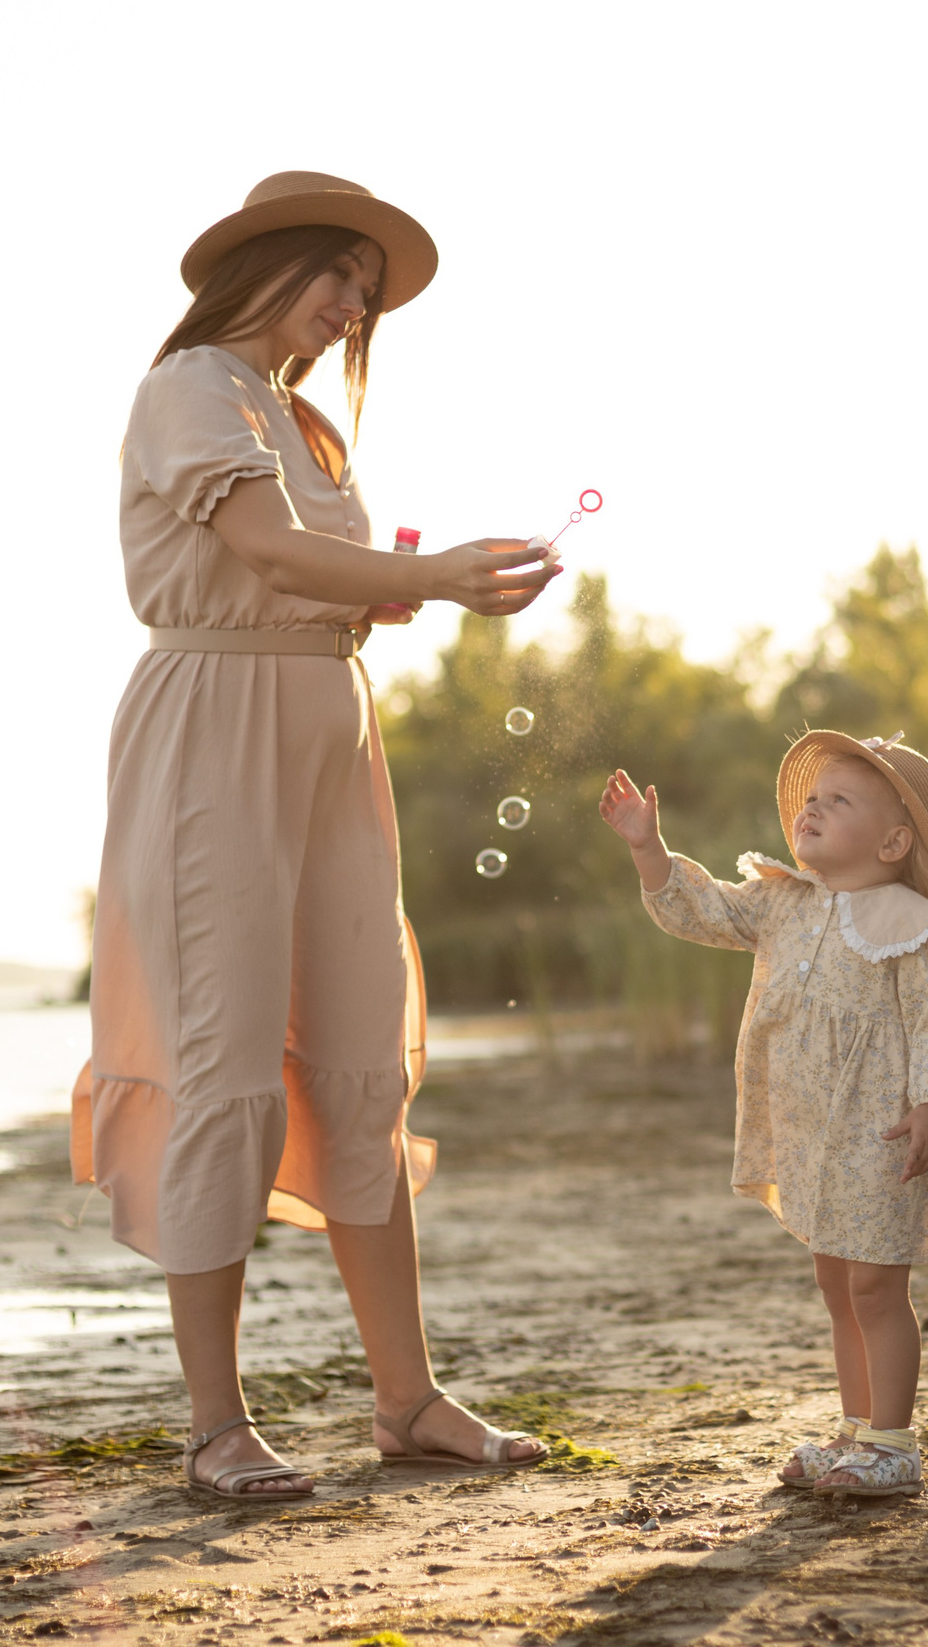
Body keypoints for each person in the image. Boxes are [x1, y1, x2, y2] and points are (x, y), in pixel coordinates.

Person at [76, 171, 561, 1501]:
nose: (356, 302)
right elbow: (272, 554)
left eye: (367, 287)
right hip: (212, 729)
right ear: (265, 264)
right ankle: (215, 1425)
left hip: (330, 729)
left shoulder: (300, 422)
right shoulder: (191, 387)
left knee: (358, 1056)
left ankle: (409, 1401)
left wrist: (397, 594)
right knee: (222, 1058)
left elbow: (313, 580)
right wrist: (428, 576)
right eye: (340, 272)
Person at [597, 731, 928, 1498]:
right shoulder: (784, 901)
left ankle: (894, 1443)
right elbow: (704, 909)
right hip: (815, 1129)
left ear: (893, 842)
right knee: (836, 1282)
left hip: (884, 1131)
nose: (812, 807)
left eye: (838, 800)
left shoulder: (915, 926)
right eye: (812, 797)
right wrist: (649, 848)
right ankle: (856, 1427)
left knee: (877, 1288)